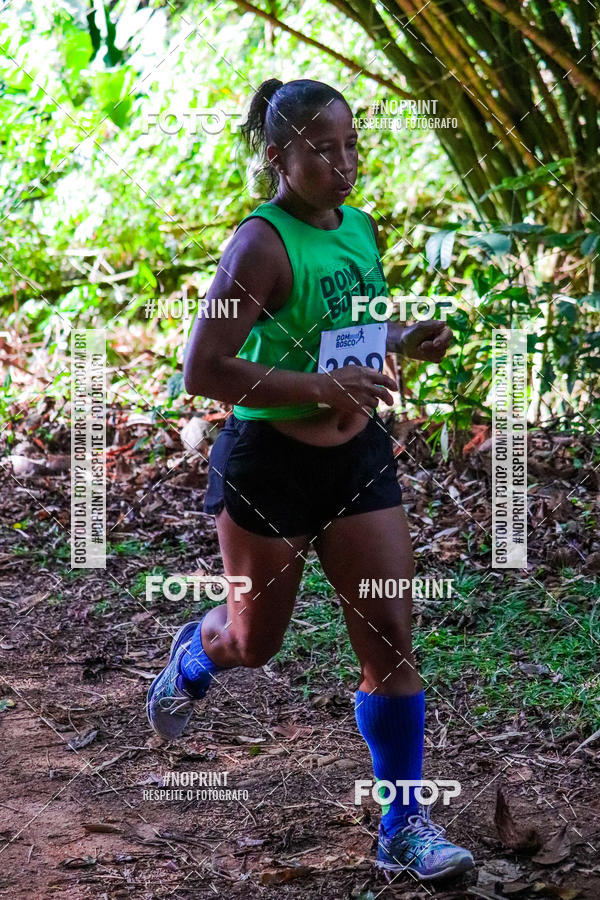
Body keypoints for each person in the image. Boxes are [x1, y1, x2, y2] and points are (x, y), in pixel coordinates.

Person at [147, 78, 474, 882]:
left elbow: (342, 331)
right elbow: (204, 367)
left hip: (358, 460)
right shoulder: (257, 246)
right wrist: (319, 390)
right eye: (321, 151)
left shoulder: (359, 227)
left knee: (393, 637)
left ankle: (403, 825)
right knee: (255, 644)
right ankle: (196, 655)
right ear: (278, 157)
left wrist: (402, 337)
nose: (343, 163)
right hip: (272, 470)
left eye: (351, 145)